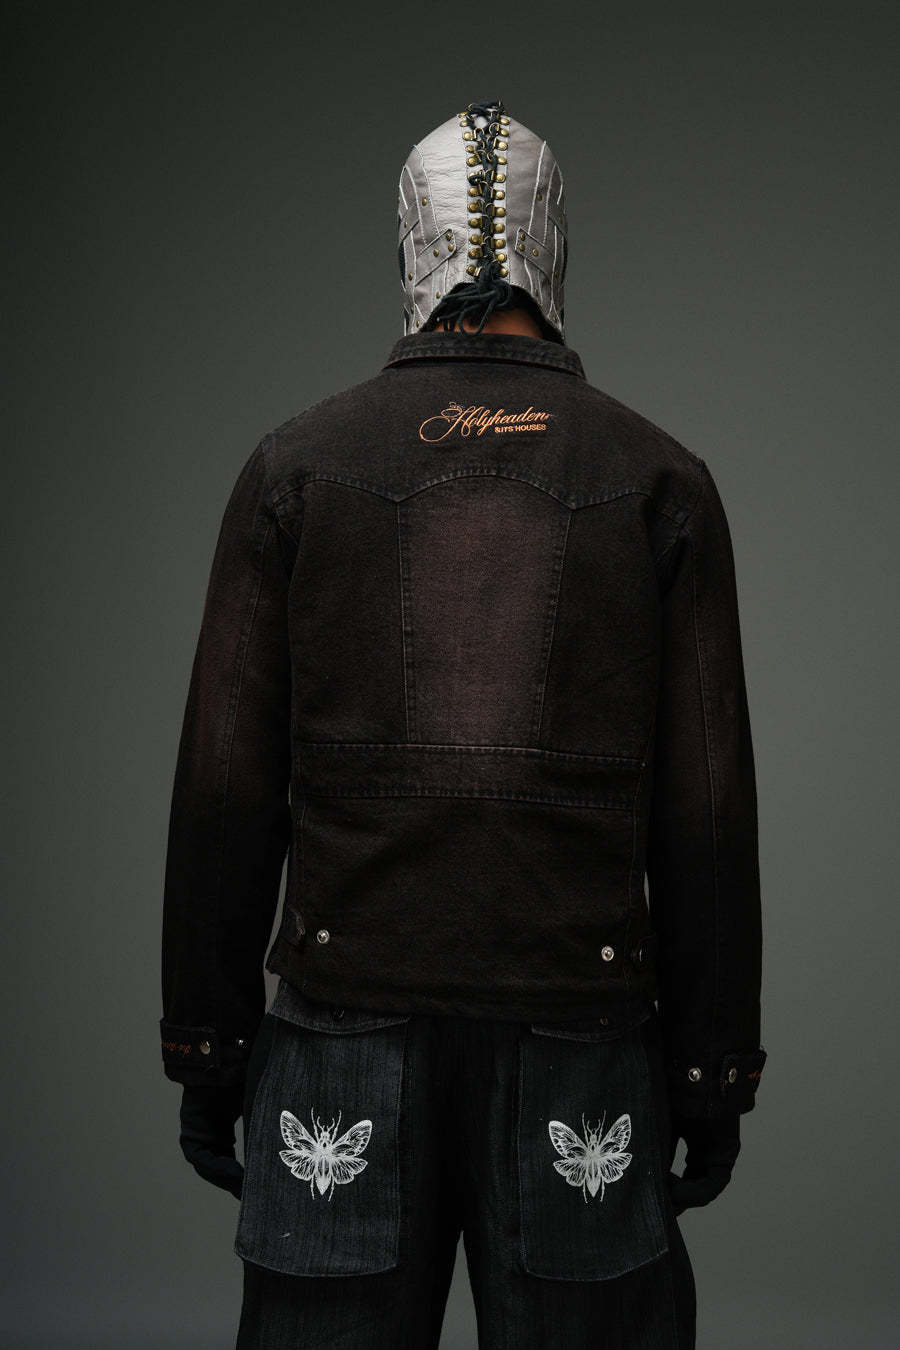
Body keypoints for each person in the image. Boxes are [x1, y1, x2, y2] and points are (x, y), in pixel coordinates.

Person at [160, 97, 767, 1349]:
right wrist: (712, 1076)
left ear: (407, 248)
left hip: (340, 1025)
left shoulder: (296, 471)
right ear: (557, 250)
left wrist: (209, 1050)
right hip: (581, 1030)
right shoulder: (658, 482)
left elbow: (225, 789)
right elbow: (706, 816)